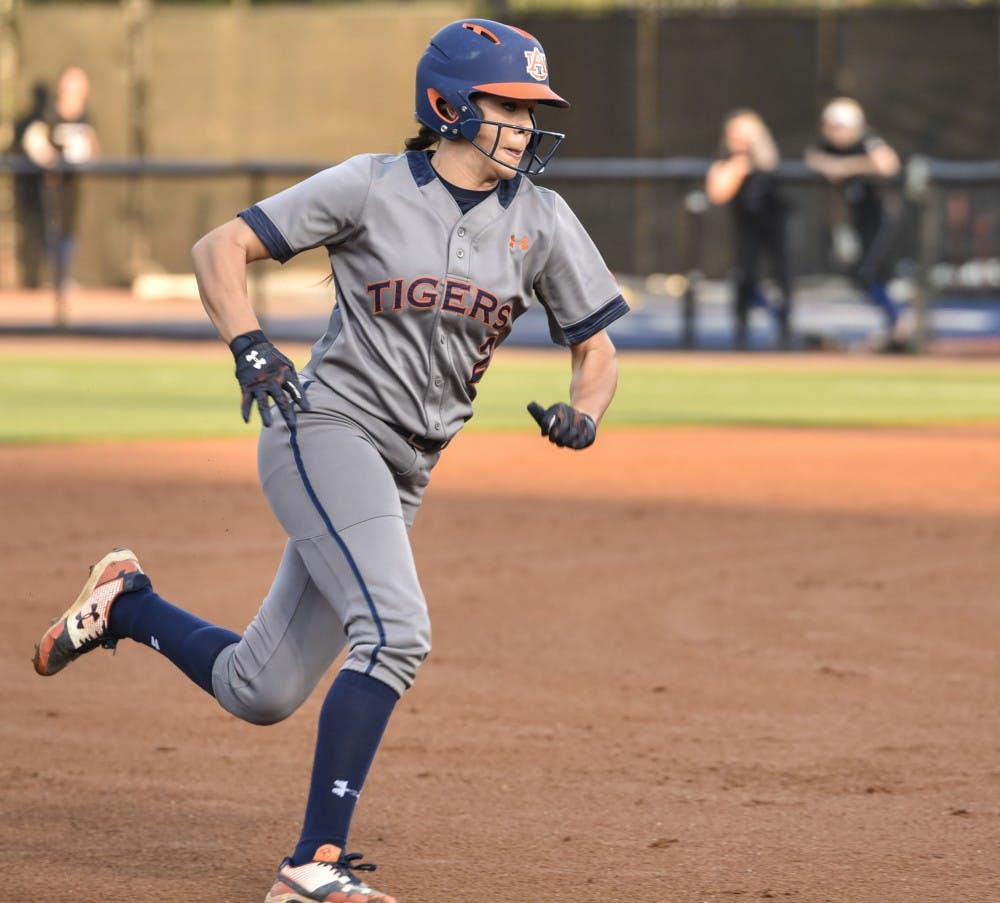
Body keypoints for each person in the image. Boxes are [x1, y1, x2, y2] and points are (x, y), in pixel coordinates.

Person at [32, 18, 627, 903]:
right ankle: (313, 865)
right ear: (449, 105)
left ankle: (128, 606)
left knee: (260, 687)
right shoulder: (374, 184)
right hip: (324, 430)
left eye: (533, 108)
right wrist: (249, 345)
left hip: (407, 469)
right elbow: (218, 248)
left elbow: (597, 346)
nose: (527, 124)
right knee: (395, 632)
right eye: (510, 104)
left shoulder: (539, 218)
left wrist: (586, 412)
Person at [804, 97, 904, 342]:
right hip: (857, 219)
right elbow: (812, 157)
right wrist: (832, 165)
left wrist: (845, 167)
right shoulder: (829, 146)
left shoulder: (867, 141)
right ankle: (895, 325)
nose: (831, 132)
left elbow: (888, 164)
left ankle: (899, 323)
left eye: (837, 127)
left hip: (881, 217)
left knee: (867, 272)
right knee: (863, 275)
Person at [705, 109, 793, 350]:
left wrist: (755, 149)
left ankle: (784, 328)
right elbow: (717, 192)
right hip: (745, 230)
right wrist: (738, 166)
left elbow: (769, 161)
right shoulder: (728, 161)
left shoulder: (767, 162)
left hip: (774, 229)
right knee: (745, 277)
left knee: (781, 277)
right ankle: (742, 333)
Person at [20, 65, 99, 293]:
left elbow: (93, 145)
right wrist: (48, 158)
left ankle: (63, 278)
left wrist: (85, 154)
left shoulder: (87, 116)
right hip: (50, 185)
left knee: (69, 232)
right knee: (50, 230)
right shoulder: (47, 114)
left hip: (73, 185)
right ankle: (49, 279)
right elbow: (34, 139)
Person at [10, 81, 50, 288]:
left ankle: (41, 280)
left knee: (46, 234)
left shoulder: (48, 121)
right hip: (27, 190)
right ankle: (30, 281)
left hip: (48, 190)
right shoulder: (25, 122)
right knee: (30, 233)